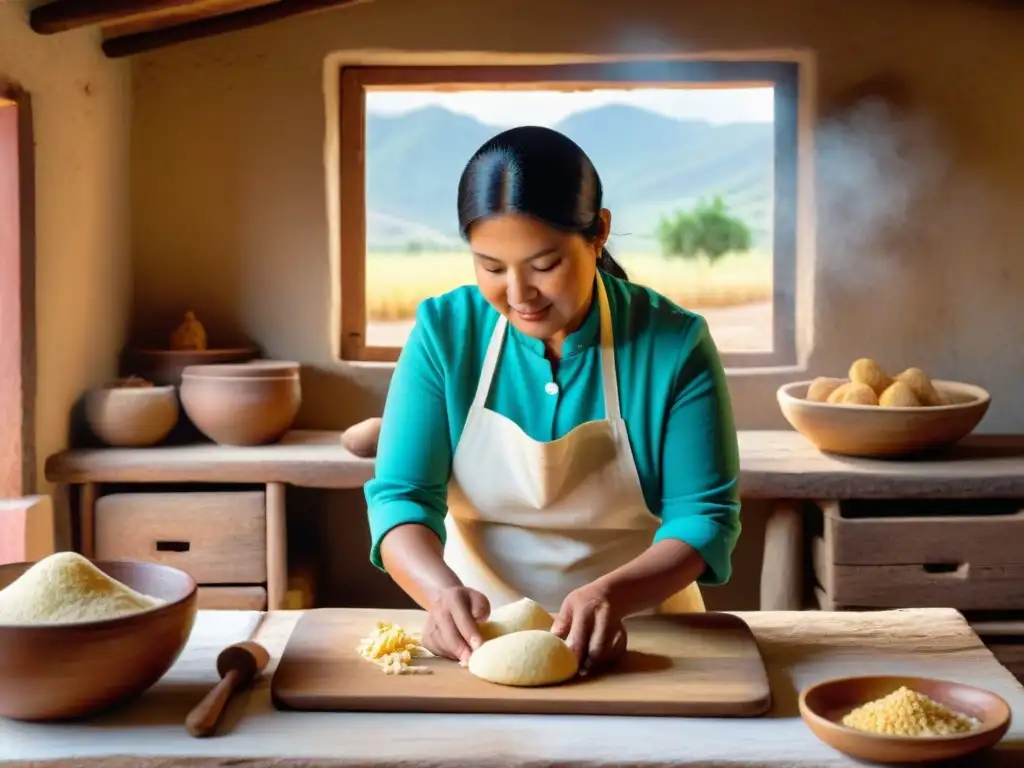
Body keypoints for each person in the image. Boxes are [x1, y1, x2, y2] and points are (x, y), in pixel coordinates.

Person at [364, 125, 741, 676]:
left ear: (599, 234)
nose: (519, 296)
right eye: (491, 268)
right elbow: (400, 499)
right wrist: (441, 593)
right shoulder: (445, 332)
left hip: (647, 634)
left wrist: (615, 594)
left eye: (544, 266)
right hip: (481, 642)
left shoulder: (673, 343)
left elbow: (703, 516)